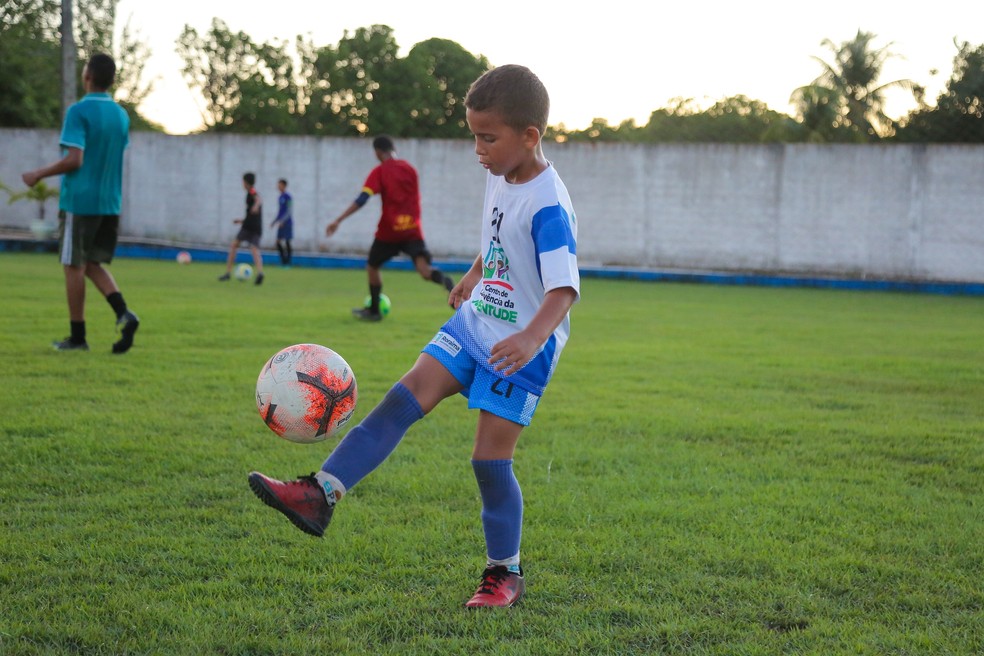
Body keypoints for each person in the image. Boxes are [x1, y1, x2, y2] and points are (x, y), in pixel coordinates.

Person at [248, 65, 580, 608]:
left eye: (488, 138)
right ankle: (319, 494)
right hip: (475, 325)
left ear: (530, 136)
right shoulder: (503, 171)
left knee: (489, 462)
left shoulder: (550, 205)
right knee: (400, 402)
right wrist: (477, 273)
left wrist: (530, 340)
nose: (479, 149)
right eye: (474, 135)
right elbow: (500, 234)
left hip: (518, 351)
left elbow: (563, 289)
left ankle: (505, 573)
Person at [21, 53, 140, 354]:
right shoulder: (121, 115)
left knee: (73, 265)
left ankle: (77, 337)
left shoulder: (78, 111)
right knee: (91, 263)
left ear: (87, 76)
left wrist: (38, 173)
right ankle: (124, 313)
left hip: (80, 201)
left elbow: (75, 159)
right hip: (110, 202)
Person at [324, 135, 455, 321]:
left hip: (389, 231)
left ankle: (375, 310)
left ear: (377, 152)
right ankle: (444, 281)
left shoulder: (380, 171)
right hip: (412, 229)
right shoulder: (410, 170)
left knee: (372, 266)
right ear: (393, 148)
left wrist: (338, 220)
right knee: (425, 271)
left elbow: (363, 199)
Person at [218, 172, 265, 285]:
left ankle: (228, 273)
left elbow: (258, 199)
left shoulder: (252, 191)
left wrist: (256, 205)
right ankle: (260, 273)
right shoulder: (249, 193)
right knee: (254, 249)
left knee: (235, 246)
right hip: (253, 225)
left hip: (250, 227)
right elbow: (252, 214)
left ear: (245, 182)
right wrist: (241, 220)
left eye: (243, 182)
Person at [271, 178, 293, 267]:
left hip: (287, 223)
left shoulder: (289, 197)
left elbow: (289, 211)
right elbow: (280, 212)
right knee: (278, 242)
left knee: (287, 241)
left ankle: (288, 262)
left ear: (284, 185)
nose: (278, 187)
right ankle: (283, 261)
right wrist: (274, 221)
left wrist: (283, 221)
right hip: (280, 223)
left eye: (279, 185)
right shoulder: (280, 197)